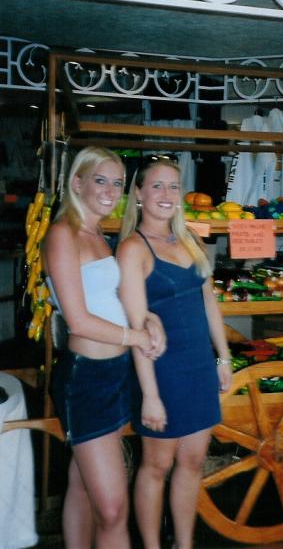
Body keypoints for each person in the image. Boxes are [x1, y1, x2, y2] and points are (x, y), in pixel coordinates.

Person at [43, 146, 166, 549]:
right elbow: (78, 320)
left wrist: (148, 318)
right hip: (87, 379)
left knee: (82, 484)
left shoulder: (98, 234)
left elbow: (110, 298)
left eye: (117, 183)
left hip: (116, 374)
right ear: (77, 183)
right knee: (113, 510)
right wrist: (136, 337)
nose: (111, 191)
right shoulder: (63, 234)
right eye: (101, 180)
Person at [117, 154, 233, 549]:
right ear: (138, 194)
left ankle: (185, 545)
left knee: (193, 462)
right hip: (161, 372)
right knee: (157, 466)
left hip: (199, 367)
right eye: (157, 185)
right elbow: (137, 327)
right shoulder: (133, 249)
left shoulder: (190, 239)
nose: (166, 194)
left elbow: (209, 303)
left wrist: (223, 357)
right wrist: (150, 395)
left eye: (173, 186)